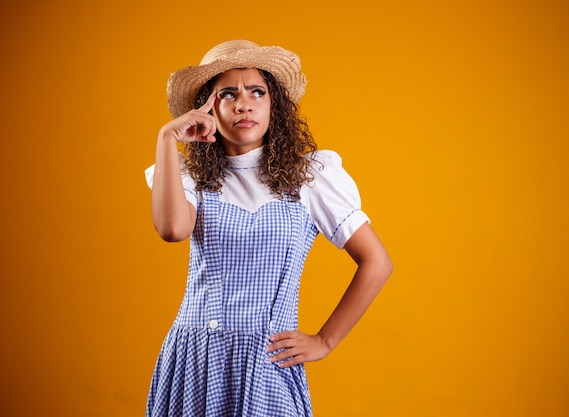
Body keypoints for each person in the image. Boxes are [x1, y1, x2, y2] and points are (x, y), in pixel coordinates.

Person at [144, 39, 392, 417]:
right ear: (208, 109)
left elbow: (377, 261)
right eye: (228, 94)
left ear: (274, 105)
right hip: (194, 356)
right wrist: (167, 138)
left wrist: (324, 340)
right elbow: (173, 230)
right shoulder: (189, 177)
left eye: (256, 92)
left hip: (268, 362)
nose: (244, 103)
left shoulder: (310, 178)